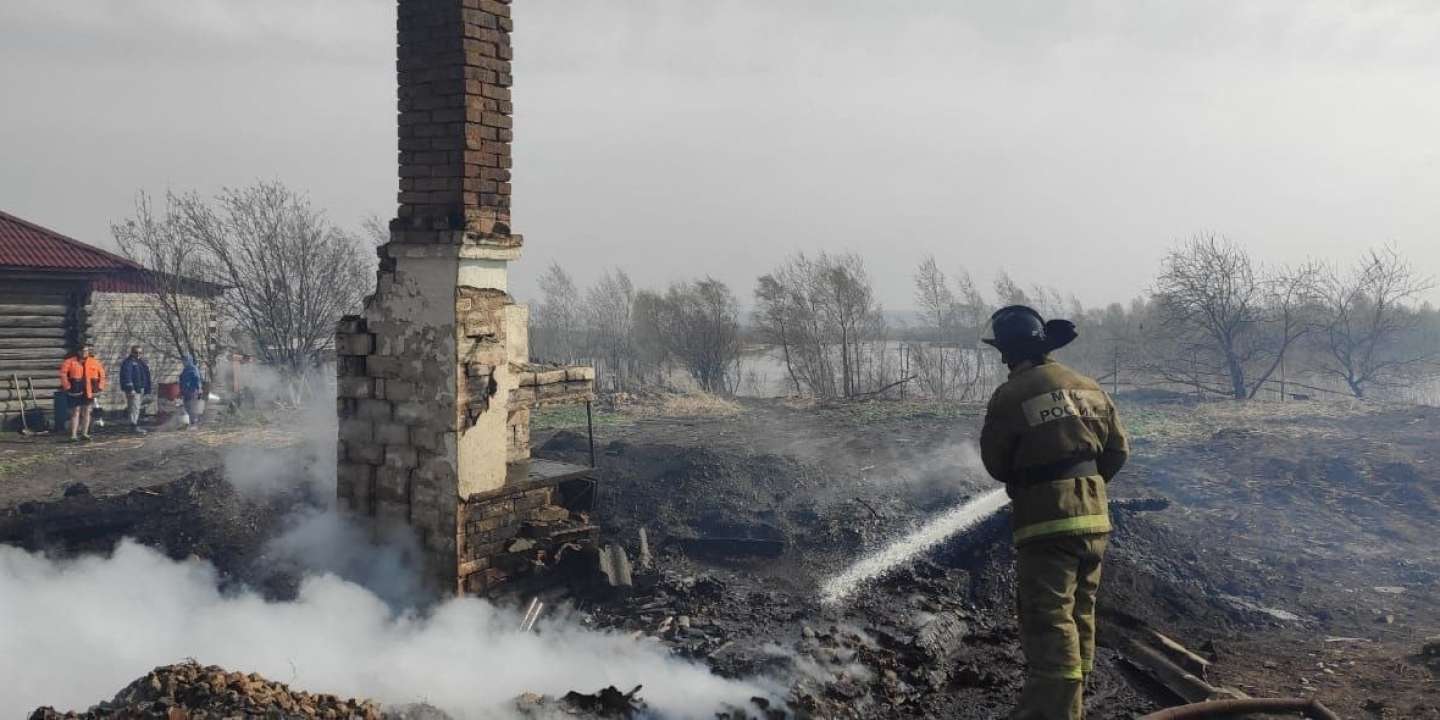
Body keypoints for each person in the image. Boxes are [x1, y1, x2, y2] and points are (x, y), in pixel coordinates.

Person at [978, 305, 1129, 720]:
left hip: (1047, 523)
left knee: (1049, 619)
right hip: (1095, 520)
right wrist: (1086, 487)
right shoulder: (1089, 387)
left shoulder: (1012, 394)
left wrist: (1045, 486)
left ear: (1008, 352)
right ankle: (1074, 702)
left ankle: (1053, 712)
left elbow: (996, 463)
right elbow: (1118, 451)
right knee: (1081, 611)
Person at [59, 344, 106, 442]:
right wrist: (67, 387)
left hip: (89, 391)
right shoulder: (70, 362)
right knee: (75, 412)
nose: (84, 352)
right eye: (82, 351)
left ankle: (85, 433)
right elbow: (63, 375)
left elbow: (102, 375)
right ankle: (73, 435)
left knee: (87, 412)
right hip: (75, 391)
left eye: (86, 351)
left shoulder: (94, 362)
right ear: (78, 352)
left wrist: (100, 388)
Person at [118, 345, 152, 434]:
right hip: (134, 389)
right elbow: (127, 376)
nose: (138, 354)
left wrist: (147, 388)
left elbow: (145, 375)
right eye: (136, 352)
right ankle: (133, 426)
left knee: (136, 407)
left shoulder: (141, 362)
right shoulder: (129, 362)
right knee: (134, 408)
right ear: (132, 352)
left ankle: (133, 423)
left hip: (141, 388)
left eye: (140, 353)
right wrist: (130, 389)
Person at [179, 355, 204, 429]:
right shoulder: (186, 369)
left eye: (185, 361)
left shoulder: (192, 369)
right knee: (187, 407)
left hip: (192, 391)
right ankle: (189, 423)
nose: (184, 362)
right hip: (186, 392)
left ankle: (194, 424)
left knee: (192, 407)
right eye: (183, 361)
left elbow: (197, 379)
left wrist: (198, 389)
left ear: (189, 361)